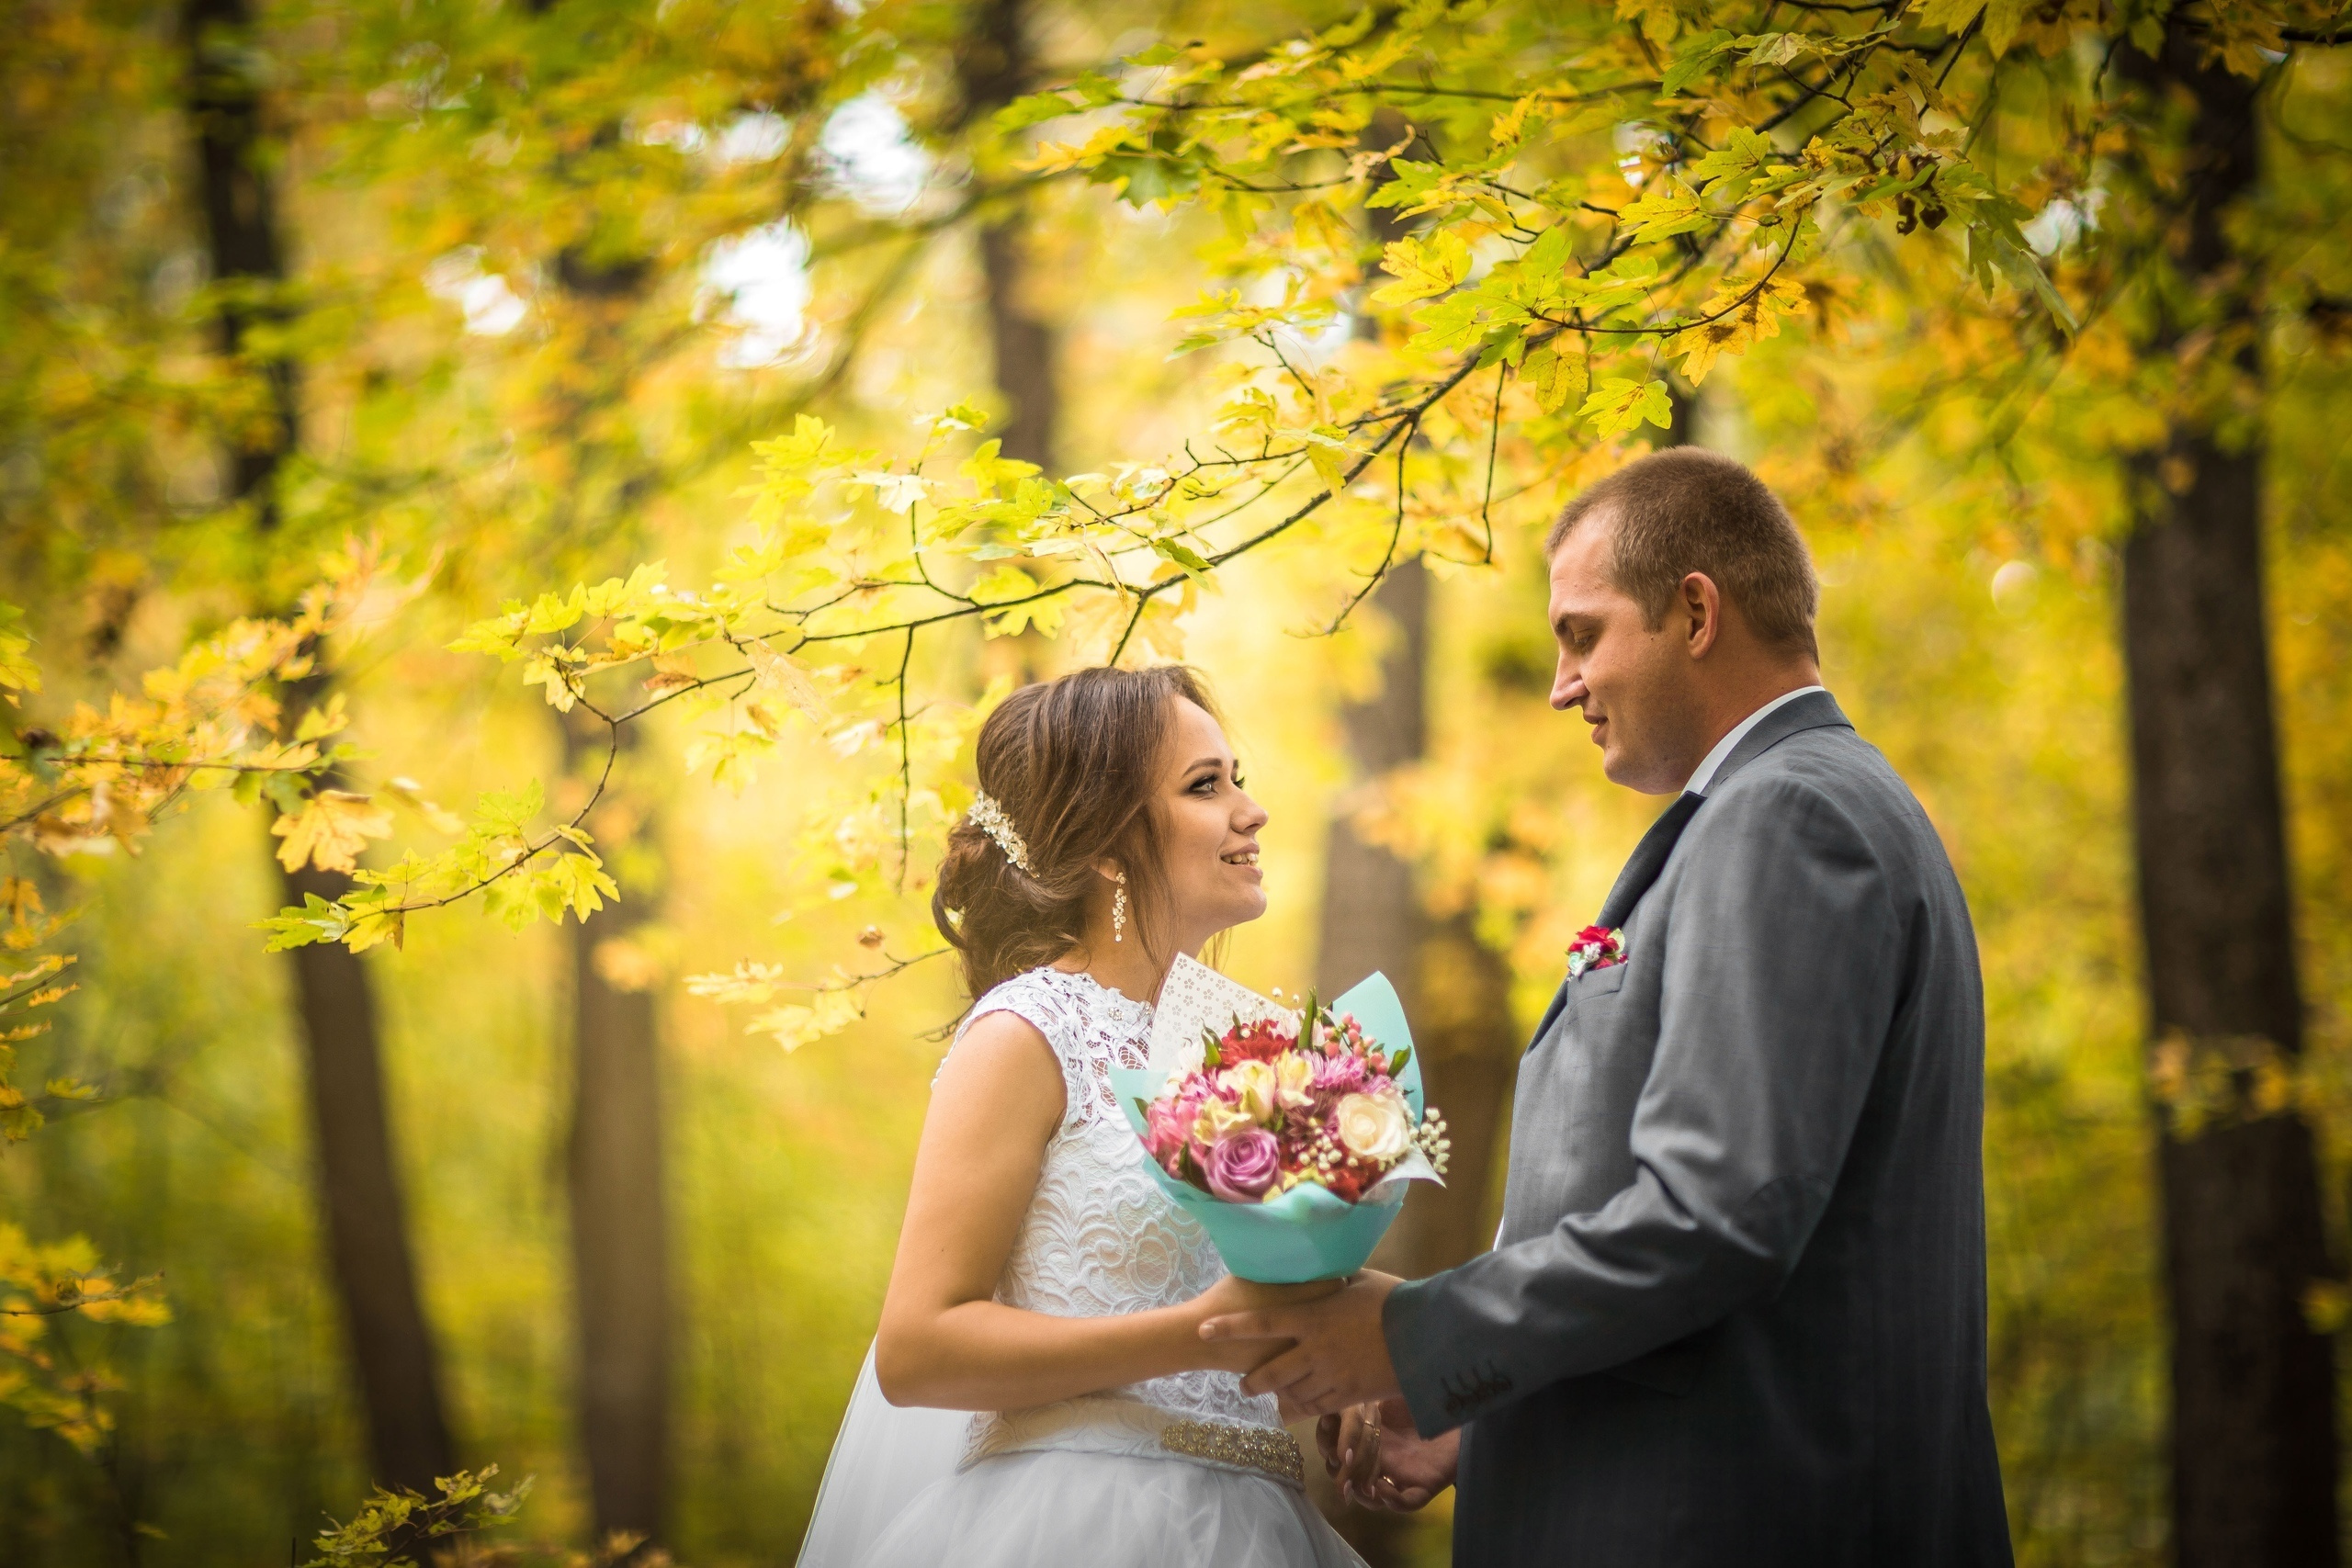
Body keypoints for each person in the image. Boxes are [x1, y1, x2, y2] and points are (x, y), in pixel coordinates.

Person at [1201, 448, 2014, 1565]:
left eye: (1581, 633)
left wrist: (1410, 1339)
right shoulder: (1790, 808)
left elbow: (1713, 1213)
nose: (1561, 685)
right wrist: (1488, 1410)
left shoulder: (1786, 818)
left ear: (1693, 612)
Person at [796, 665, 1364, 1568]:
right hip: (1083, 1524)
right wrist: (1198, 1334)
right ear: (1105, 844)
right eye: (1204, 785)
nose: (1249, 810)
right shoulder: (1028, 1033)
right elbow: (917, 1347)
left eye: (1238, 777)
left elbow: (1249, 1322)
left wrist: (1343, 1384)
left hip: (1260, 1529)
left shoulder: (1252, 1053)